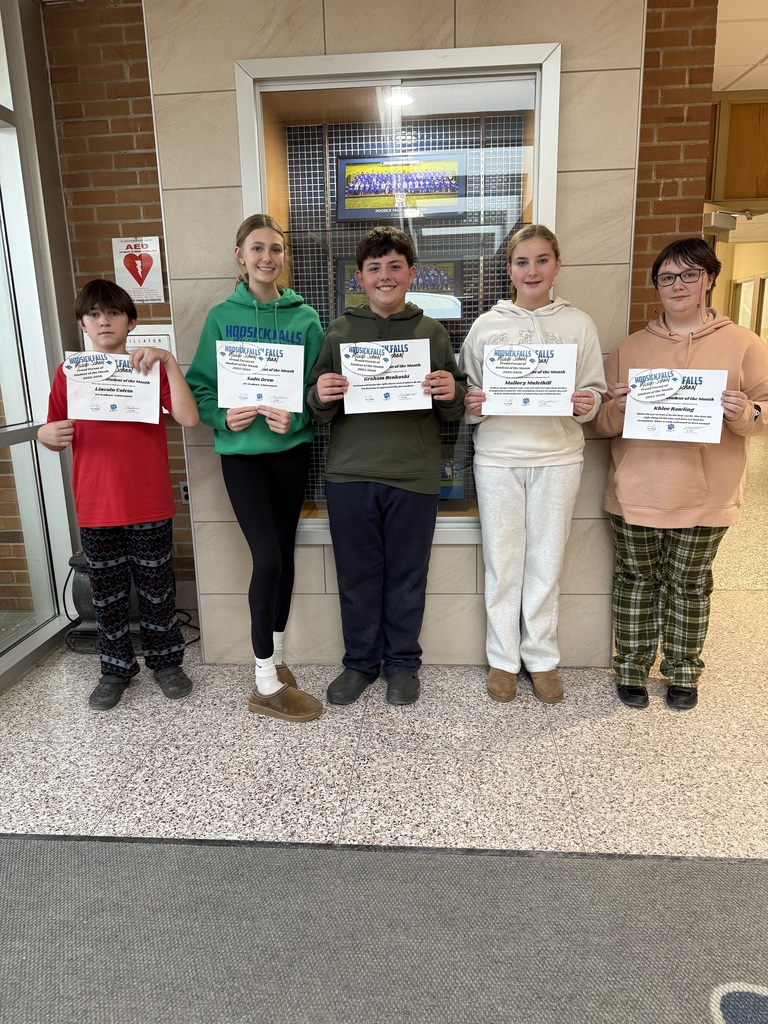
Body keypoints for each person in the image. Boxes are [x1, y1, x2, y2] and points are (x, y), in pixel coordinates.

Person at [595, 236, 768, 710]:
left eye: (690, 274)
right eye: (667, 277)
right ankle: (631, 667)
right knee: (635, 581)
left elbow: (763, 411)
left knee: (689, 585)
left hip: (707, 494)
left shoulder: (744, 345)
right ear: (656, 285)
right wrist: (618, 409)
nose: (678, 285)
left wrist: (745, 412)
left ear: (709, 279)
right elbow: (600, 423)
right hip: (636, 489)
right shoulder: (630, 349)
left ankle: (683, 671)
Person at [306, 225, 466, 706]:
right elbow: (315, 406)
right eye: (374, 268)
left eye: (395, 266)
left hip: (413, 476)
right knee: (356, 576)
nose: (385, 276)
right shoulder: (339, 331)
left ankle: (402, 664)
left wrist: (451, 392)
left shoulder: (432, 332)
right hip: (350, 475)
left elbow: (454, 408)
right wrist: (321, 393)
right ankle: (360, 663)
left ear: (412, 273)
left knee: (407, 577)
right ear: (359, 278)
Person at [458, 225, 606, 704]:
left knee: (546, 560)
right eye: (522, 262)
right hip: (498, 458)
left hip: (558, 457)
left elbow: (595, 393)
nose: (532, 270)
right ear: (510, 270)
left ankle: (541, 658)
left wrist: (586, 402)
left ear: (557, 266)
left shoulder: (579, 324)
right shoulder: (487, 326)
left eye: (542, 260)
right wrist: (474, 403)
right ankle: (503, 660)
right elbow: (467, 393)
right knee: (503, 564)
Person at [186, 214, 324, 722]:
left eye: (276, 249)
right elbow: (200, 386)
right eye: (258, 248)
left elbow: (318, 390)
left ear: (284, 256)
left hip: (290, 452)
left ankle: (278, 657)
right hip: (242, 456)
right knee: (265, 559)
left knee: (283, 555)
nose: (268, 257)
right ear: (240, 255)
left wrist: (300, 415)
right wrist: (222, 416)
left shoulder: (305, 318)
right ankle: (264, 680)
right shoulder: (222, 317)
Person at [38, 279, 200, 710]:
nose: (103, 321)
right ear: (82, 324)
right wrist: (43, 434)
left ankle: (166, 663)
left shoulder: (150, 369)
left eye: (113, 313)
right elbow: (52, 429)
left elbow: (188, 417)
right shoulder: (69, 373)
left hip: (149, 500)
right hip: (96, 505)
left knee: (156, 590)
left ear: (132, 321)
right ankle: (114, 669)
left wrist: (168, 361)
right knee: (106, 597)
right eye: (93, 314)